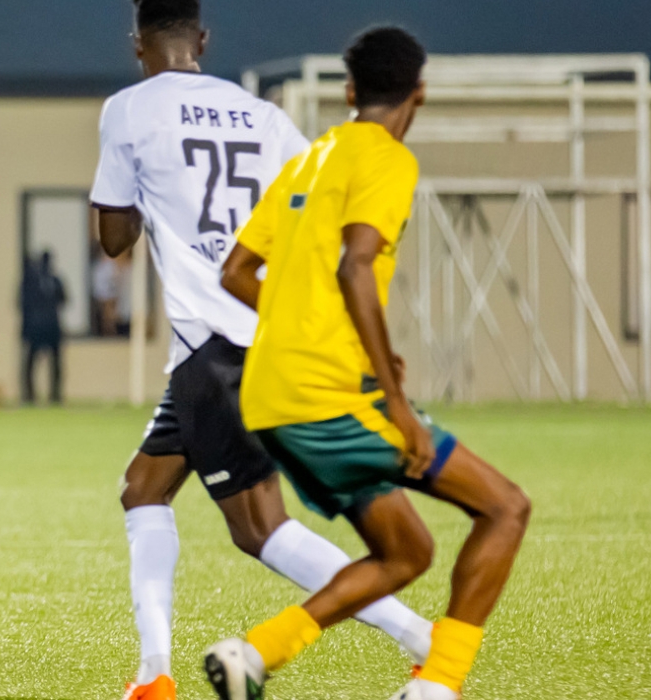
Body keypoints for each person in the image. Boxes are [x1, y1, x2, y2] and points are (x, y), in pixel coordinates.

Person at [90, 3, 433, 698]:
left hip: (212, 348)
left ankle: (420, 637)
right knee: (143, 489)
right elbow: (318, 216)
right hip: (269, 330)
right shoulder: (264, 115)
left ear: (138, 46)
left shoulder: (128, 110)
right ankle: (153, 675)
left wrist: (137, 200)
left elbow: (114, 240)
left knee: (260, 529)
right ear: (203, 41)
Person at [207, 27, 531, 700]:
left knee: (407, 552)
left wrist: (312, 330)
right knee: (505, 508)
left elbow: (236, 272)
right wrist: (399, 404)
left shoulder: (310, 158)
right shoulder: (387, 159)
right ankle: (437, 687)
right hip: (331, 395)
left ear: (350, 91)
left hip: (270, 394)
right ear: (420, 94)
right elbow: (357, 264)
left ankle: (255, 654)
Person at [21, 250, 66, 403]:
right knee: (32, 363)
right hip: (39, 327)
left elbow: (64, 299)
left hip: (49, 326)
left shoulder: (54, 281)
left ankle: (54, 395)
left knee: (53, 363)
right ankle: (30, 395)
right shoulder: (33, 282)